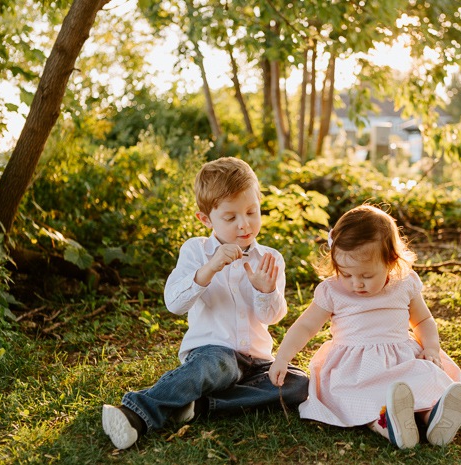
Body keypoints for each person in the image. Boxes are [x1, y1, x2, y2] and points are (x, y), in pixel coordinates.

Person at [102, 157, 309, 450]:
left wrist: (266, 290)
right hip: (214, 354)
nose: (244, 224)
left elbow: (271, 316)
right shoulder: (196, 251)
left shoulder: (270, 259)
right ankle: (136, 412)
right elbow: (175, 303)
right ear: (206, 219)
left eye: (252, 211)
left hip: (258, 362)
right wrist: (208, 269)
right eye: (230, 217)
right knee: (216, 365)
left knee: (298, 382)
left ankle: (200, 405)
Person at [268, 204, 461, 449]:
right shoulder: (332, 291)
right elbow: (305, 327)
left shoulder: (404, 284)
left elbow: (422, 320)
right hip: (354, 370)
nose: (357, 283)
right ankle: (390, 425)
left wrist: (430, 347)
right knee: (361, 396)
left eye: (366, 276)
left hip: (401, 359)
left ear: (390, 261)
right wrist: (282, 357)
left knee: (424, 376)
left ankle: (435, 418)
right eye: (346, 274)